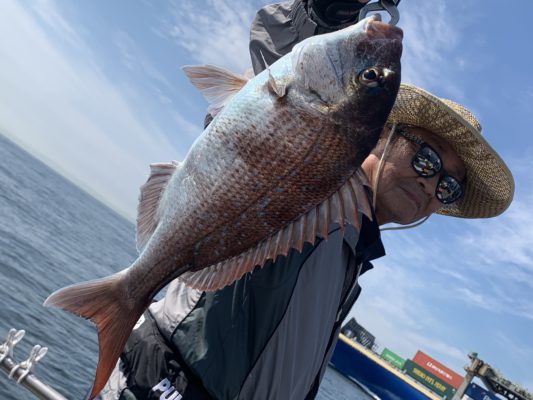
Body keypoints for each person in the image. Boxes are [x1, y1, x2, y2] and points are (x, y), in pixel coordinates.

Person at [98, 1, 514, 399]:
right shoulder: (321, 201)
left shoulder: (355, 251)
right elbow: (280, 76)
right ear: (383, 135)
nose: (430, 183)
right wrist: (328, 11)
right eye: (427, 159)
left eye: (448, 186)